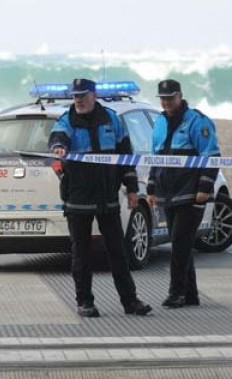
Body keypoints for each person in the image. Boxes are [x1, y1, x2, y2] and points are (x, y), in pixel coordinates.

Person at [49, 78, 152, 317]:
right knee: (81, 254)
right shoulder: (67, 120)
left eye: (83, 95)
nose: (79, 100)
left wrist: (133, 189)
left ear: (94, 96)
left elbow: (126, 156)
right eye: (75, 96)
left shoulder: (112, 119)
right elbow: (57, 137)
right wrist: (58, 148)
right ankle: (84, 301)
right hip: (78, 198)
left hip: (108, 198)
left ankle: (130, 301)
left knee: (118, 252)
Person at [147, 79, 220, 308]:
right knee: (182, 244)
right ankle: (191, 294)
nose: (167, 102)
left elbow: (212, 156)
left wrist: (204, 188)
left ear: (180, 96)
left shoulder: (198, 122)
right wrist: (151, 187)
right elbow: (155, 157)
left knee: (179, 243)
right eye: (163, 98)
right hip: (167, 193)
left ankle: (176, 292)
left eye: (170, 98)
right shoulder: (159, 122)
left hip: (190, 193)